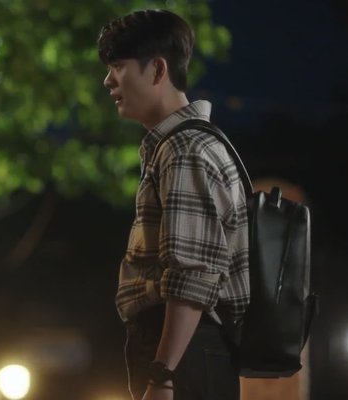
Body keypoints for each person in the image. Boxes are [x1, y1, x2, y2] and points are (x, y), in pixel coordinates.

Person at [98, 10, 249, 400]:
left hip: (184, 355)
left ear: (157, 69)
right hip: (188, 351)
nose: (108, 80)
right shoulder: (183, 144)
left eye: (118, 66)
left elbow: (191, 278)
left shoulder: (185, 149)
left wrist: (162, 376)